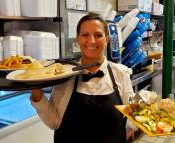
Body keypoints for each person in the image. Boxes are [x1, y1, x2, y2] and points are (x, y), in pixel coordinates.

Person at [30, 12, 136, 143]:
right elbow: (54, 122)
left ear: (107, 39)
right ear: (78, 39)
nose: (91, 41)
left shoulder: (120, 73)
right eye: (85, 35)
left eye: (98, 35)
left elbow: (132, 116)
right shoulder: (65, 75)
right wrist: (34, 87)